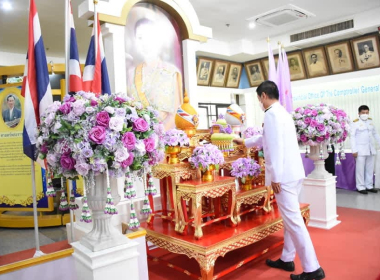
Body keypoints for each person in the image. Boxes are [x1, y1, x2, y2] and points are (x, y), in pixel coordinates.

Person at [233, 81, 325, 280]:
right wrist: (245, 141)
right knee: (290, 220)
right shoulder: (282, 112)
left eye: (258, 98)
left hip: (284, 176)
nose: (259, 102)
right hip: (293, 173)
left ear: (264, 95)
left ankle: (313, 269)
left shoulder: (271, 114)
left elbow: (275, 148)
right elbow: (268, 138)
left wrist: (276, 178)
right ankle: (287, 258)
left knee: (294, 222)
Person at [127, 18, 183, 130]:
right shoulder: (131, 74)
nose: (144, 43)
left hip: (165, 137)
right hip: (138, 139)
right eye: (140, 38)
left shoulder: (170, 72)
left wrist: (156, 138)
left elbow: (175, 112)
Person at [350, 105, 380, 194]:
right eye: (363, 113)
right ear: (359, 113)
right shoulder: (354, 123)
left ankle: (369, 185)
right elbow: (352, 137)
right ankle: (360, 187)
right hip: (360, 150)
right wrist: (354, 150)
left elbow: (375, 134)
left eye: (367, 112)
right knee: (360, 169)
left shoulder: (370, 122)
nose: (365, 114)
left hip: (370, 149)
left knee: (370, 168)